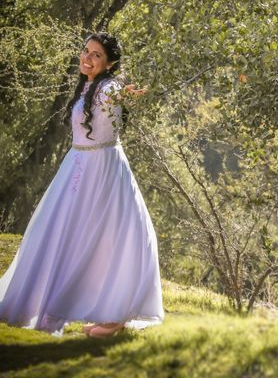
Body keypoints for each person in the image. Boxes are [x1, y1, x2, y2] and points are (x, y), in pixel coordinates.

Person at [0, 32, 164, 338]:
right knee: (61, 233)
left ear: (110, 62)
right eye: (86, 51)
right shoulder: (89, 84)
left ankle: (113, 315)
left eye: (96, 55)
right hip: (78, 165)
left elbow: (115, 94)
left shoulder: (108, 87)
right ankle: (76, 309)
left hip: (102, 170)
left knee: (108, 237)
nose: (87, 58)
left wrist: (123, 93)